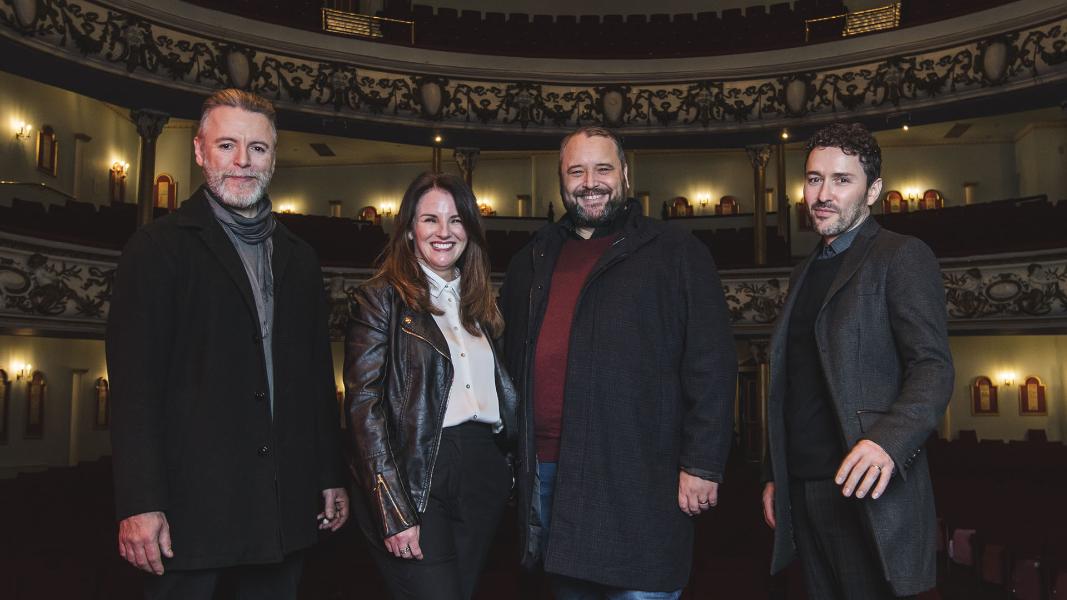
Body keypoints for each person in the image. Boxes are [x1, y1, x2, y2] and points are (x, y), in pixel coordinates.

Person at [107, 89, 347, 599]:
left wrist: (330, 473)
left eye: (257, 149)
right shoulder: (155, 249)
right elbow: (134, 390)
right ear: (199, 151)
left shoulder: (300, 258)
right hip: (188, 514)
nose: (242, 161)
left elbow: (315, 379)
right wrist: (139, 502)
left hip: (281, 509)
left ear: (274, 158)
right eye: (227, 146)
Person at [498, 126, 737, 598]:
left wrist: (703, 463)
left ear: (626, 174)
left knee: (644, 586)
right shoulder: (532, 258)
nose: (590, 181)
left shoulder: (676, 252)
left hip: (642, 474)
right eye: (577, 170)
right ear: (561, 180)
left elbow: (711, 362)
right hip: (548, 473)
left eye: (603, 168)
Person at [761, 122, 954, 599]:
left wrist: (888, 443)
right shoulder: (803, 272)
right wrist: (775, 475)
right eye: (813, 179)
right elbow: (790, 384)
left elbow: (933, 367)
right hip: (804, 490)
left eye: (842, 180)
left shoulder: (902, 256)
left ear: (873, 191)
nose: (823, 194)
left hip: (866, 488)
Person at [344, 172, 518, 600]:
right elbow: (363, 408)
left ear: (470, 231)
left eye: (456, 220)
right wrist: (392, 510)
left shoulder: (482, 304)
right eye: (429, 220)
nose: (444, 232)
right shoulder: (379, 298)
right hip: (418, 470)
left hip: (482, 471)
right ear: (408, 231)